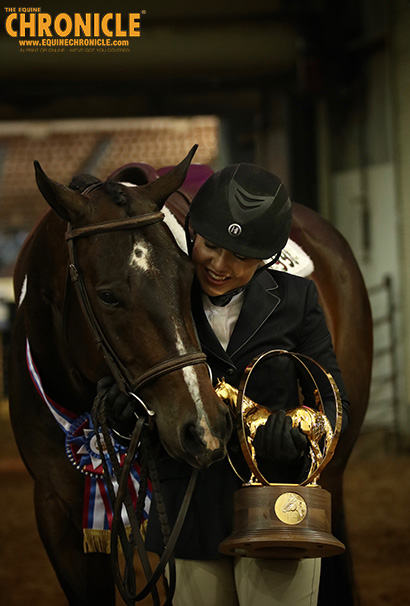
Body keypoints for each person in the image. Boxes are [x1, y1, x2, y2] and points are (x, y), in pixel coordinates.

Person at [101, 163, 350, 606]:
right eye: (211, 246)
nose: (219, 265)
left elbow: (333, 400)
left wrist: (298, 432)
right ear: (193, 232)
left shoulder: (298, 300)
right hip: (189, 510)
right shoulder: (160, 297)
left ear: (267, 258)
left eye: (241, 256)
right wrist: (122, 416)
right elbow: (120, 383)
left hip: (276, 507)